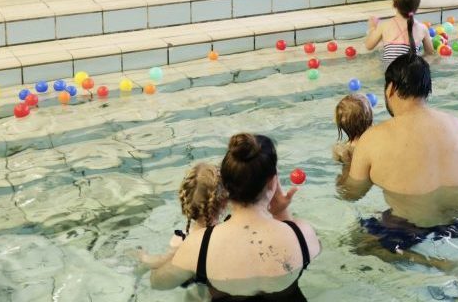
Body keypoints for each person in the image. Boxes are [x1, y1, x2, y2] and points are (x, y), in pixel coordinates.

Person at [339, 54, 458, 251]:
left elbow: (351, 194)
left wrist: (346, 163)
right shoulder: (456, 124)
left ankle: (439, 264)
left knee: (355, 244)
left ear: (390, 88)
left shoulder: (373, 138)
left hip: (413, 225)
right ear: (427, 90)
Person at [151, 133, 321, 300]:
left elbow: (158, 283)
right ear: (272, 182)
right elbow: (311, 251)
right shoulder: (303, 234)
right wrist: (280, 212)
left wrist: (177, 251)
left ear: (224, 186)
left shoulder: (199, 245)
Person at [137, 163, 228, 289]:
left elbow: (161, 262)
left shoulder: (182, 239)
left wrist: (144, 258)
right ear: (224, 202)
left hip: (189, 277)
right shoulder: (228, 233)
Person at [365, 0, 434, 63]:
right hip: (414, 71)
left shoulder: (384, 26)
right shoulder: (423, 28)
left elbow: (369, 46)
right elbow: (430, 53)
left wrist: (372, 27)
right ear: (417, 6)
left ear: (394, 4)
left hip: (391, 71)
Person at [333, 93, 373, 165]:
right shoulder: (374, 143)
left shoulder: (342, 150)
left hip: (347, 174)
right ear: (369, 118)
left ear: (341, 125)